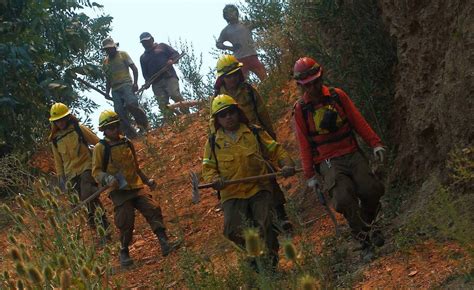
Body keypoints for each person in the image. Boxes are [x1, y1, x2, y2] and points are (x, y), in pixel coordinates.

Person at [292, 57, 386, 259]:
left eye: (316, 81)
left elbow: (357, 120)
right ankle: (364, 239)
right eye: (308, 85)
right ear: (301, 85)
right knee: (343, 199)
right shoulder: (301, 110)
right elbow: (304, 144)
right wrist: (310, 175)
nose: (314, 87)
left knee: (371, 189)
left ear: (321, 77)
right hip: (328, 161)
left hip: (351, 151)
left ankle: (370, 223)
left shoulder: (337, 96)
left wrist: (375, 143)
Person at [202, 94, 296, 270]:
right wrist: (214, 180)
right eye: (223, 115)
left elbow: (275, 150)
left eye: (231, 112)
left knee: (266, 224)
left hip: (259, 187)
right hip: (232, 192)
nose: (228, 117)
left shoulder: (254, 132)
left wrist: (286, 164)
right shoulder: (213, 142)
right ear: (217, 120)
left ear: (238, 112)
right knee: (232, 231)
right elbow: (208, 168)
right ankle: (254, 254)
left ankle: (270, 266)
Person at [212, 54, 293, 232]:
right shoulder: (219, 98)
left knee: (268, 176)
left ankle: (281, 215)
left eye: (235, 74)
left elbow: (263, 114)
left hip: (256, 138)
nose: (232, 78)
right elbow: (215, 128)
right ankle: (256, 221)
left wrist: (270, 138)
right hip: (233, 144)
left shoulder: (249, 90)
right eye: (228, 76)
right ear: (222, 78)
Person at [92, 110, 179, 267]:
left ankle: (164, 242)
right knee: (125, 221)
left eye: (115, 126)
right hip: (119, 191)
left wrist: (147, 180)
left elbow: (135, 167)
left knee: (152, 209)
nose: (114, 130)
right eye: (110, 127)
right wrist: (107, 178)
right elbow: (96, 171)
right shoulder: (100, 148)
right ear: (104, 130)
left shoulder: (127, 142)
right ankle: (124, 252)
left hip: (136, 185)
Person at [48, 102, 109, 237]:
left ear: (68, 117)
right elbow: (58, 162)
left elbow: (98, 143)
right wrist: (62, 180)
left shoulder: (78, 129)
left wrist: (108, 157)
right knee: (85, 202)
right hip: (71, 175)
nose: (60, 123)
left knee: (87, 195)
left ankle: (104, 227)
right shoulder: (55, 140)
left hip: (87, 167)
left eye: (62, 119)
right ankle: (98, 226)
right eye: (57, 121)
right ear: (54, 123)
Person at [102, 37, 149, 139]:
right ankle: (132, 135)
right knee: (119, 112)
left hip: (126, 84)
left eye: (110, 48)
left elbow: (134, 68)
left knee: (131, 104)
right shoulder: (105, 62)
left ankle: (143, 126)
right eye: (107, 49)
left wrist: (135, 83)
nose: (109, 50)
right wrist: (107, 92)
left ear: (114, 47)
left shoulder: (122, 54)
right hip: (115, 89)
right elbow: (108, 79)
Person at [139, 32, 188, 116]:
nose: (146, 43)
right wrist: (147, 82)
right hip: (156, 83)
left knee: (175, 94)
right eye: (143, 42)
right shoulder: (143, 57)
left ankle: (186, 113)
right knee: (163, 104)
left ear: (152, 39)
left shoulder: (162, 46)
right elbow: (145, 74)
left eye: (147, 41)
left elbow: (175, 54)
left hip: (169, 76)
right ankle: (171, 122)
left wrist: (171, 60)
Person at [216, 4, 267, 81]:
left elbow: (261, 22)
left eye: (231, 11)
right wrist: (230, 48)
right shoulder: (226, 30)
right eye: (227, 13)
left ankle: (272, 91)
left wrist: (264, 20)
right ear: (225, 16)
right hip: (239, 59)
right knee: (241, 83)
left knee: (265, 78)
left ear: (236, 12)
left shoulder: (245, 24)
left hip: (252, 55)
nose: (230, 14)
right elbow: (218, 44)